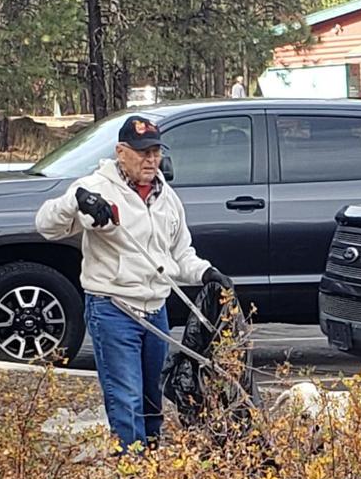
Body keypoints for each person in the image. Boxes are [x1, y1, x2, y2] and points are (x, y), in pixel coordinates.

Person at [35, 115, 233, 452]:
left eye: (155, 152)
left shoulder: (167, 198)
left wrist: (205, 274)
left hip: (155, 311)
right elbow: (45, 225)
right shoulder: (96, 187)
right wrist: (76, 200)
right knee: (125, 398)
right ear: (121, 152)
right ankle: (132, 474)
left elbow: (180, 252)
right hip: (113, 309)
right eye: (142, 153)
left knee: (152, 396)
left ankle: (151, 467)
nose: (150, 160)